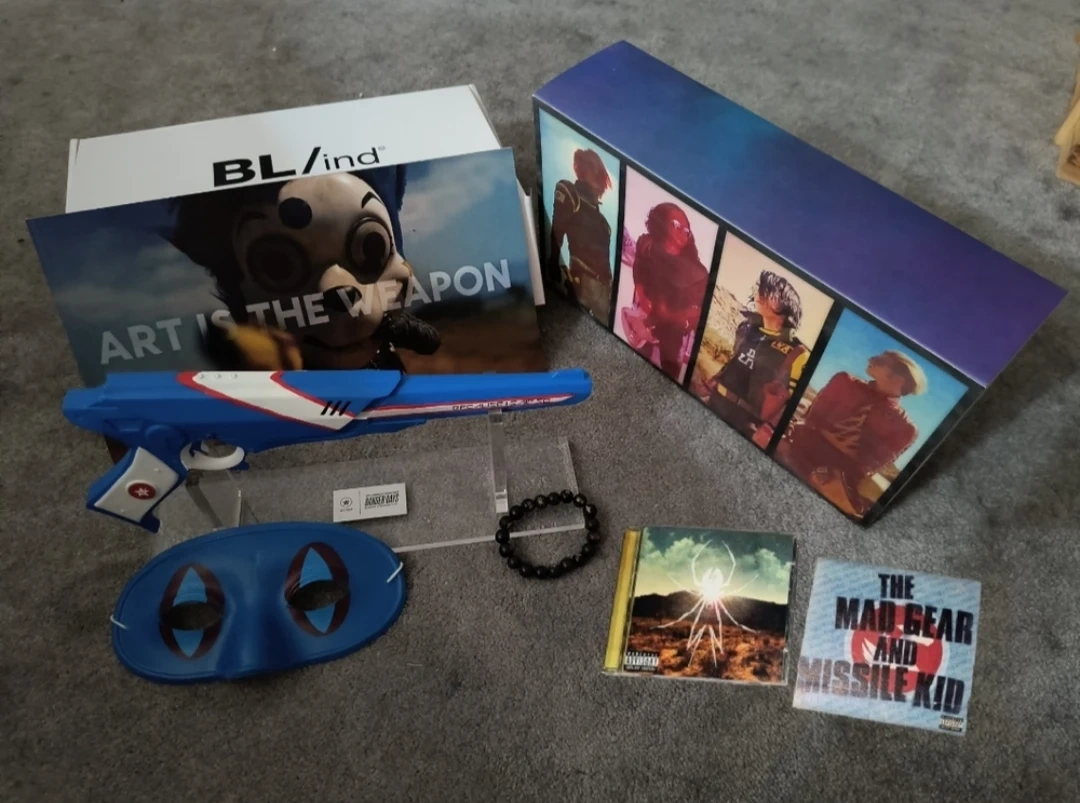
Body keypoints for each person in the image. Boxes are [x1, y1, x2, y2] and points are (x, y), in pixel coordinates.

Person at [779, 350, 927, 518]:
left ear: (899, 380)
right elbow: (812, 420)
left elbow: (866, 465)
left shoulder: (905, 428)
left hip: (840, 470)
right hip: (806, 443)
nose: (870, 358)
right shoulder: (845, 381)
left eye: (881, 361)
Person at [705, 271, 808, 447]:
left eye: (770, 290)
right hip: (714, 401)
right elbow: (735, 364)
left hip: (745, 423)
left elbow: (791, 404)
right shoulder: (746, 328)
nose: (759, 292)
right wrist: (709, 385)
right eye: (761, 287)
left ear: (785, 304)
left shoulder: (798, 353)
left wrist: (767, 431)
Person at [620, 203, 709, 381]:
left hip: (671, 337)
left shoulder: (696, 273)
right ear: (660, 222)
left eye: (687, 229)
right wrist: (642, 295)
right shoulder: (647, 245)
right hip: (643, 324)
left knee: (667, 378)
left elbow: (696, 315)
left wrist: (675, 318)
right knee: (635, 366)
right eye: (676, 225)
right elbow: (638, 268)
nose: (683, 232)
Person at [548, 149, 614, 320]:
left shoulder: (602, 222)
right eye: (580, 166)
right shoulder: (570, 193)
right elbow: (557, 230)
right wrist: (553, 262)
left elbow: (605, 259)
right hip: (583, 281)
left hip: (604, 288)